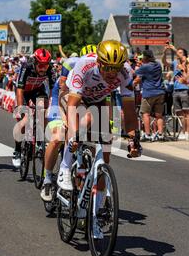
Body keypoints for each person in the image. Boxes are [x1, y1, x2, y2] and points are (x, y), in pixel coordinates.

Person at [56, 40, 141, 193]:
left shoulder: (126, 71)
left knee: (106, 149)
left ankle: (99, 201)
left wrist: (133, 139)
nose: (112, 73)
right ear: (99, 62)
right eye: (108, 67)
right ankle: (65, 167)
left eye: (116, 68)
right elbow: (72, 106)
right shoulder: (85, 64)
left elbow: (129, 110)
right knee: (87, 118)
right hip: (73, 95)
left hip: (98, 99)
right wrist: (74, 136)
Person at [40, 45, 97, 202]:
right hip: (60, 101)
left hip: (81, 104)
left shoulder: (99, 77)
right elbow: (63, 97)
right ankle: (47, 178)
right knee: (58, 136)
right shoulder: (73, 69)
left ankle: (82, 193)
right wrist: (65, 120)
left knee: (90, 143)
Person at [12, 48, 56, 168]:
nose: (43, 69)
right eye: (40, 66)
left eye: (45, 66)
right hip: (24, 91)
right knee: (24, 121)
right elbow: (20, 89)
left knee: (43, 108)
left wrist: (52, 107)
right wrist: (21, 110)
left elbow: (53, 90)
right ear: (35, 63)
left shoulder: (50, 70)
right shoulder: (26, 67)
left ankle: (40, 139)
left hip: (37, 89)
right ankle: (17, 150)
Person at [162, 45, 189, 140]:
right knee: (179, 112)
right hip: (175, 90)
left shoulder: (188, 63)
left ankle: (187, 132)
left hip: (185, 89)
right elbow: (164, 62)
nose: (177, 54)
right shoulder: (175, 62)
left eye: (180, 53)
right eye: (177, 52)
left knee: (187, 111)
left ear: (184, 55)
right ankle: (183, 131)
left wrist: (182, 69)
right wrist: (165, 52)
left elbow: (188, 78)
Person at [135, 50, 165, 142]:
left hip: (149, 93)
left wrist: (139, 64)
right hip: (160, 92)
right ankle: (160, 134)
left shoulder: (145, 67)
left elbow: (135, 74)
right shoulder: (158, 65)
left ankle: (147, 134)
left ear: (145, 58)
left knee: (145, 114)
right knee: (159, 115)